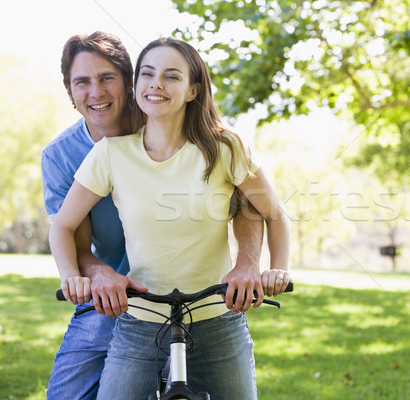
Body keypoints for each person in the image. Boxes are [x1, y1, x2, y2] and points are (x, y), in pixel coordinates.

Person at [48, 37, 291, 399]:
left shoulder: (224, 148)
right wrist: (72, 277)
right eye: (148, 74)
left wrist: (270, 269)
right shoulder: (109, 154)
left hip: (218, 318)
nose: (157, 83)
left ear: (193, 90)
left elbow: (272, 213)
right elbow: (63, 226)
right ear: (138, 85)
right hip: (139, 322)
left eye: (172, 76)